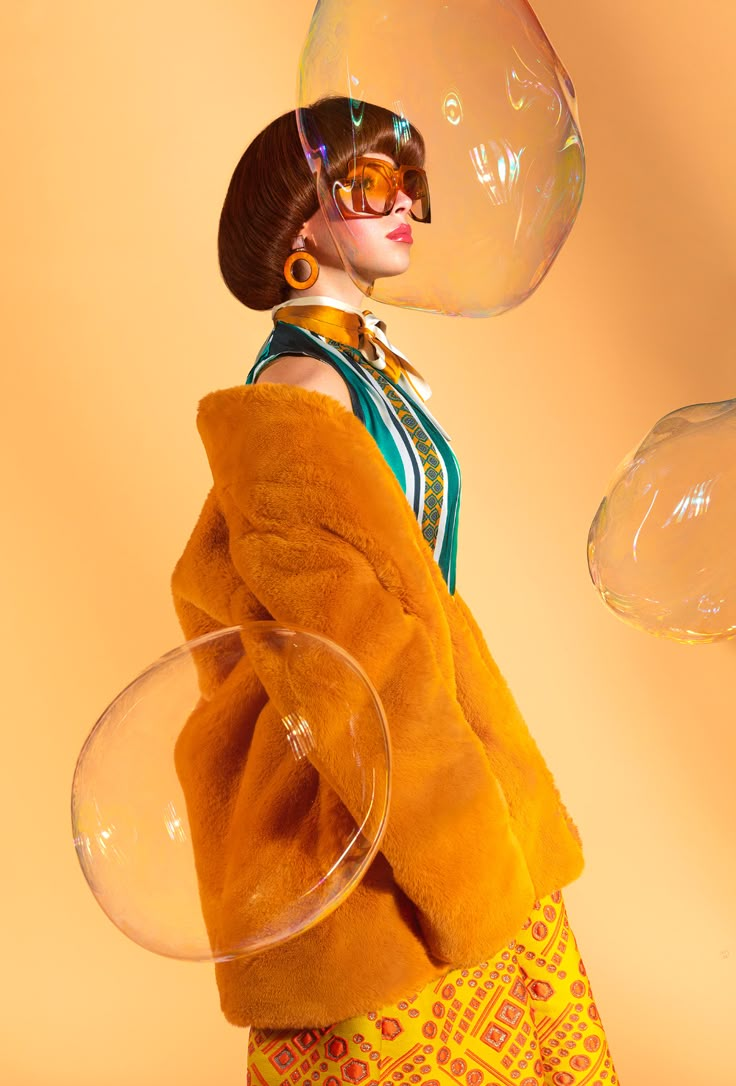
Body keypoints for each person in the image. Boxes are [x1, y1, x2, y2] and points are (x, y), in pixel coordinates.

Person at [172, 96, 620, 1086]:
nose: (402, 202)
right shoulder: (303, 388)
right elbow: (335, 644)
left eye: (407, 182)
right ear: (296, 222)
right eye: (369, 182)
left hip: (439, 755)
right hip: (379, 788)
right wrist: (453, 848)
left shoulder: (361, 372)